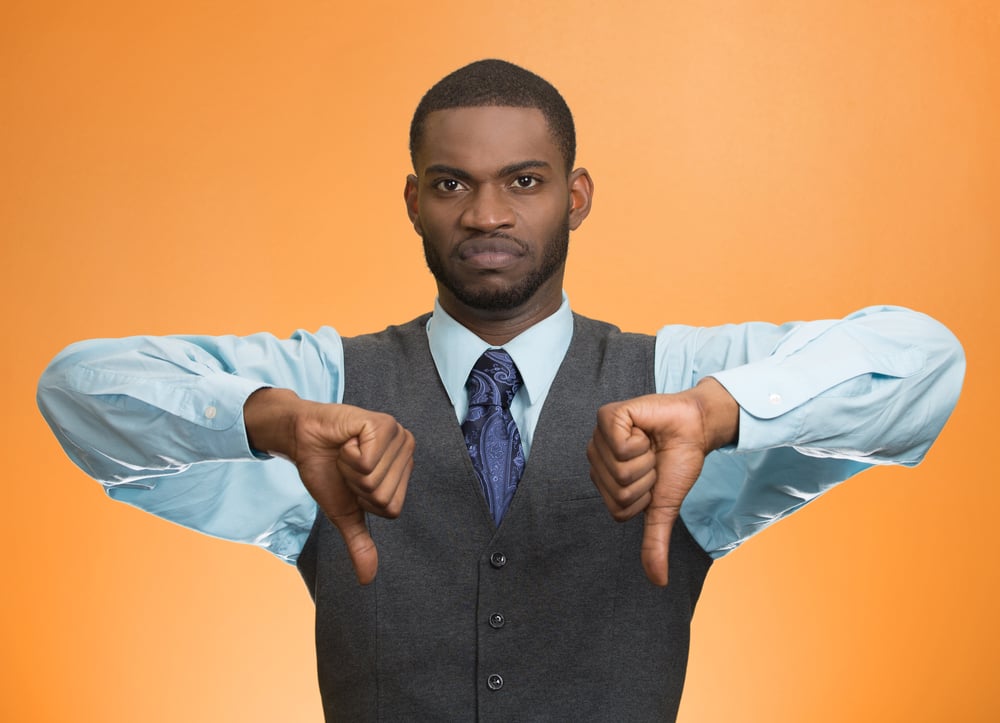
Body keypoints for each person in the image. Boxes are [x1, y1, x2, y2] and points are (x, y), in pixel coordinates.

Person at [37, 59, 964, 721]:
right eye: (452, 184)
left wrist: (721, 413)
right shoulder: (327, 389)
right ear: (412, 200)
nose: (487, 215)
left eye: (524, 181)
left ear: (579, 194)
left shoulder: (679, 381)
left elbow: (923, 360)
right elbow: (78, 389)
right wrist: (269, 419)